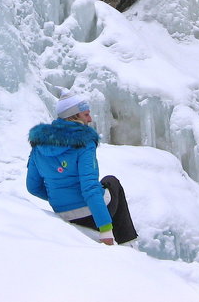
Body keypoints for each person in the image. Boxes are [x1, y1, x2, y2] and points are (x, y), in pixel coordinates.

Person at [26, 90, 138, 245]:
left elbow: (33, 187)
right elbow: (89, 188)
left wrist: (61, 197)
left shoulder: (38, 145)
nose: (90, 119)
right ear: (74, 116)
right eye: (86, 114)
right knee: (111, 182)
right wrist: (105, 230)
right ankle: (128, 244)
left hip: (62, 213)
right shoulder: (84, 141)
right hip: (90, 217)